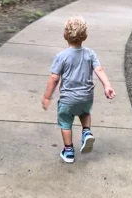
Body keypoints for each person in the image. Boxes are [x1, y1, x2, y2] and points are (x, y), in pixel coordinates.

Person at [42, 16, 116, 163]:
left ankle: (68, 151)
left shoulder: (61, 56)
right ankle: (86, 132)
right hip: (86, 96)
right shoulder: (90, 53)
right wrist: (107, 85)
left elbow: (54, 78)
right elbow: (99, 69)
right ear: (85, 36)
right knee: (85, 113)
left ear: (65, 35)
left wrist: (47, 96)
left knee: (65, 122)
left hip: (68, 98)